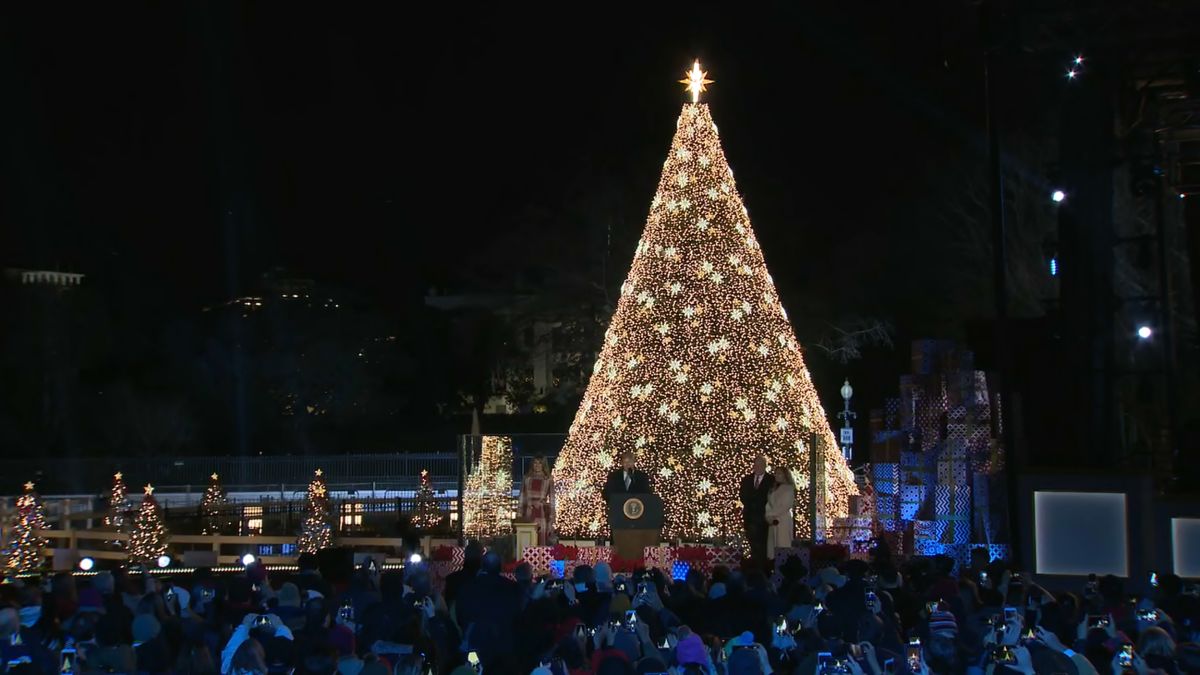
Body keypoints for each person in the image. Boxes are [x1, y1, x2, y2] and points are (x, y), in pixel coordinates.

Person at [738, 456, 775, 562]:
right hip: (750, 518)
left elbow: (772, 498)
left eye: (761, 464)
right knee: (753, 545)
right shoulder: (746, 479)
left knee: (763, 547)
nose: (758, 467)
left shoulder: (771, 480)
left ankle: (763, 568)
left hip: (764, 519)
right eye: (756, 464)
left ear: (765, 466)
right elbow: (743, 495)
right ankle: (754, 566)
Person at [519, 457, 555, 545]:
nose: (537, 465)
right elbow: (522, 497)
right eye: (535, 463)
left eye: (540, 463)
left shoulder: (548, 479)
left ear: (543, 465)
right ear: (532, 464)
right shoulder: (527, 478)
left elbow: (552, 499)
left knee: (541, 540)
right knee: (527, 541)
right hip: (528, 513)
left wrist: (552, 519)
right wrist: (519, 515)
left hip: (542, 513)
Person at [763, 465, 795, 561]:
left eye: (779, 473)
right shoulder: (773, 489)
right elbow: (769, 504)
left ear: (785, 475)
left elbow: (785, 506)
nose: (776, 475)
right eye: (776, 473)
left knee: (783, 544)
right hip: (773, 521)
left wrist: (771, 514)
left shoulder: (789, 489)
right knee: (773, 548)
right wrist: (768, 515)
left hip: (783, 521)